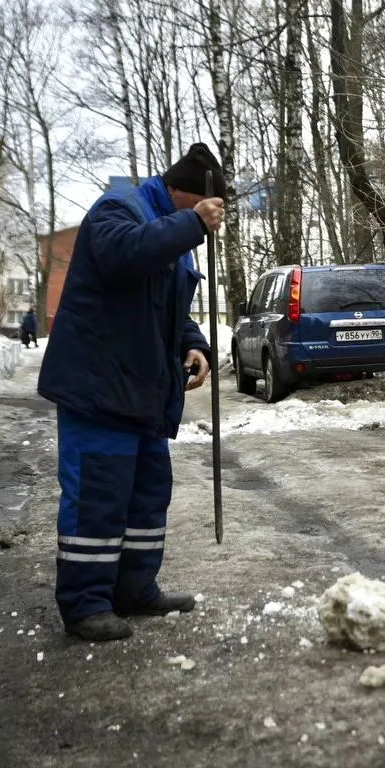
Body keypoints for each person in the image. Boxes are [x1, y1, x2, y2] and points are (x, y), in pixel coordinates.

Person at [37, 143, 226, 642]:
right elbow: (122, 255)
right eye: (204, 208)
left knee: (146, 497)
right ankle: (84, 605)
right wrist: (191, 226)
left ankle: (135, 589)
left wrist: (195, 346)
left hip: (143, 391)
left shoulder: (174, 238)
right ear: (181, 191)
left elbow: (170, 311)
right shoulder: (118, 209)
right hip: (100, 386)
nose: (208, 220)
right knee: (99, 496)